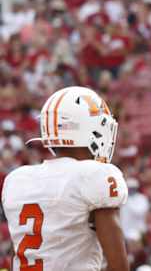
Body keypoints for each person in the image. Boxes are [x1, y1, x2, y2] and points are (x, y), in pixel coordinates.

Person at [1, 86, 129, 271]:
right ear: (89, 128)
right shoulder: (94, 175)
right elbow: (119, 267)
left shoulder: (17, 179)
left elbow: (20, 257)